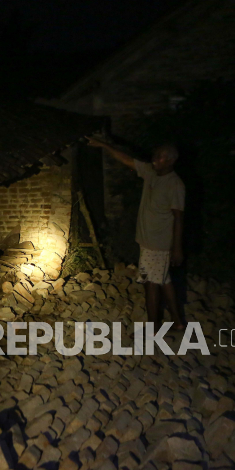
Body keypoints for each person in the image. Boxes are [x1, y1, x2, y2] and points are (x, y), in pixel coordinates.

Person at [86, 136, 187, 330]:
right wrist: (105, 145)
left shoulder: (175, 185)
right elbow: (127, 160)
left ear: (172, 160)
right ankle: (178, 322)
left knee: (150, 283)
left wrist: (177, 248)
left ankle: (153, 326)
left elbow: (179, 217)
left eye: (160, 157)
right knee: (164, 280)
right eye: (155, 156)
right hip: (147, 241)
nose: (155, 160)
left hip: (157, 243)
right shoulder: (151, 173)